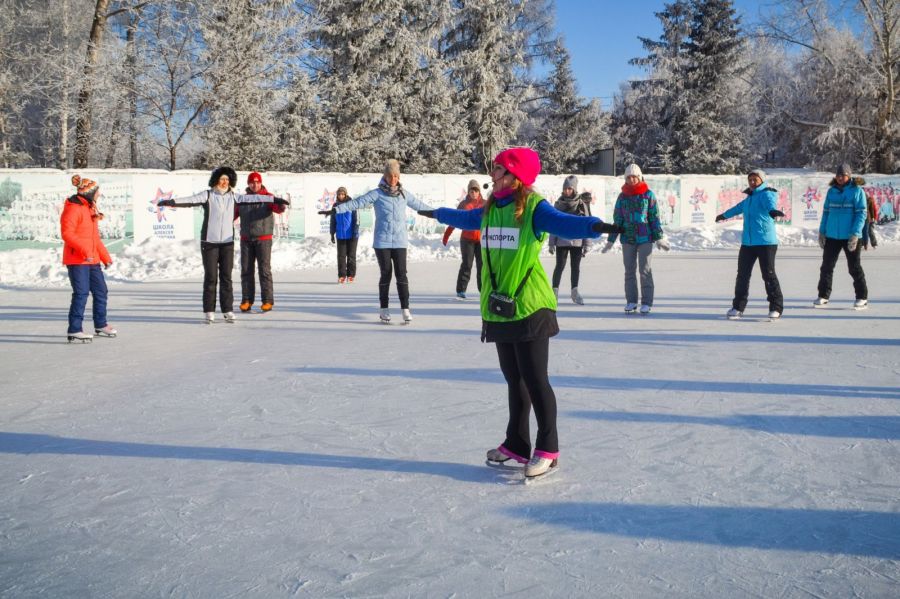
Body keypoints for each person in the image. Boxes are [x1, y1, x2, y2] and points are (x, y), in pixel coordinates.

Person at [418, 147, 621, 479]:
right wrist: (437, 213)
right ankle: (516, 443)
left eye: (498, 169)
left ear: (515, 175)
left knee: (536, 380)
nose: (492, 174)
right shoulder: (489, 209)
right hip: (500, 307)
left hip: (530, 306)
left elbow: (565, 223)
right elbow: (464, 218)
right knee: (515, 380)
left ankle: (548, 449)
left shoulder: (533, 208)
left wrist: (596, 226)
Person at [157, 166, 288, 323]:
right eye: (222, 179)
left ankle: (227, 310)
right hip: (210, 242)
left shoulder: (234, 197)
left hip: (227, 243)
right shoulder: (207, 195)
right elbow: (190, 200)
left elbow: (257, 198)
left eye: (227, 179)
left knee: (227, 278)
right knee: (211, 278)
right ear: (216, 180)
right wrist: (172, 202)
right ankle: (209, 311)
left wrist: (275, 200)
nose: (224, 182)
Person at [318, 159, 433, 324]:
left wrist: (440, 214)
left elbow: (420, 206)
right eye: (390, 176)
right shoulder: (377, 194)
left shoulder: (404, 194)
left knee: (402, 274)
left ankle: (405, 308)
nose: (393, 179)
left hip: (400, 241)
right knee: (386, 274)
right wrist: (336, 209)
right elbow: (357, 202)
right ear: (385, 176)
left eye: (396, 176)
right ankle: (384, 309)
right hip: (382, 242)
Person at [714, 168, 785, 320]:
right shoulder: (749, 198)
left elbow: (770, 204)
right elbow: (737, 208)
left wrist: (773, 211)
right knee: (742, 275)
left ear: (762, 180)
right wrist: (724, 215)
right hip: (748, 243)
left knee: (768, 274)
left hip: (766, 242)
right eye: (750, 180)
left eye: (755, 179)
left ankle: (776, 307)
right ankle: (738, 307)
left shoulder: (767, 193)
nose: (752, 182)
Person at [602, 164, 669, 315]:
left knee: (645, 270)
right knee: (629, 271)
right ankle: (631, 301)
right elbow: (618, 219)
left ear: (639, 177)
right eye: (629, 177)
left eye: (634, 177)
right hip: (628, 238)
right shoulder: (622, 197)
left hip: (645, 238)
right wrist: (611, 240)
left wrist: (659, 238)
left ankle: (646, 302)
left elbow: (654, 218)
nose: (631, 179)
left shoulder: (648, 195)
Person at [61, 175, 116, 342]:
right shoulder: (73, 209)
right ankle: (75, 329)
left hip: (93, 260)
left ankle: (101, 324)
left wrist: (105, 257)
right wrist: (85, 251)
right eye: (97, 191)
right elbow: (67, 234)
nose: (99, 194)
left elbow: (94, 238)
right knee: (81, 293)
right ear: (89, 193)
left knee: (101, 291)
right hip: (77, 260)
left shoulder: (90, 209)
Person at [813, 164, 868, 309]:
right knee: (826, 267)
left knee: (854, 267)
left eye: (843, 175)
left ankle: (862, 297)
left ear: (849, 176)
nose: (840, 178)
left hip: (850, 236)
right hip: (832, 236)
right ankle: (823, 295)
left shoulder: (857, 191)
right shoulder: (831, 191)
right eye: (838, 175)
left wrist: (855, 234)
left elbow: (861, 214)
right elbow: (826, 212)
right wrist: (822, 231)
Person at [237, 172, 286, 313]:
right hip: (246, 239)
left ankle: (267, 301)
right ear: (248, 184)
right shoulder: (243, 199)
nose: (255, 185)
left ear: (261, 183)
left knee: (264, 270)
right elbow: (233, 213)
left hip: (263, 239)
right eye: (252, 182)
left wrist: (280, 205)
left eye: (257, 182)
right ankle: (247, 300)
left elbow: (278, 209)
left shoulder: (267, 197)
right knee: (246, 270)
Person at [549, 175, 593, 305]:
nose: (567, 191)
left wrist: (587, 243)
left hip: (577, 241)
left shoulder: (581, 204)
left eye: (569, 188)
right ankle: (554, 292)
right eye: (565, 189)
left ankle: (575, 291)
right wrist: (551, 243)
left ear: (574, 189)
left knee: (575, 267)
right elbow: (554, 224)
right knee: (559, 266)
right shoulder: (558, 204)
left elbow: (586, 223)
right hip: (562, 241)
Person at [442, 179, 485, 299]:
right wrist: (447, 235)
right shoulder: (463, 205)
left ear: (479, 191)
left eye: (476, 190)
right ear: (469, 191)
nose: (474, 193)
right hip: (467, 240)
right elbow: (455, 219)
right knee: (467, 264)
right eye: (472, 190)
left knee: (482, 265)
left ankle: (483, 290)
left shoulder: (485, 203)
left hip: (481, 240)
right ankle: (461, 290)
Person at [329, 186, 359, 283]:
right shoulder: (335, 206)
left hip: (352, 234)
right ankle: (342, 276)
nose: (341, 196)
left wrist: (355, 231)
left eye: (342, 194)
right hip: (340, 235)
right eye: (339, 194)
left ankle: (351, 275)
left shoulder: (351, 204)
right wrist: (332, 233)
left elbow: (356, 219)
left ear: (345, 194)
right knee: (341, 256)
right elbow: (333, 220)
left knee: (351, 256)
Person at [860, 179, 878, 251]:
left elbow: (872, 210)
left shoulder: (869, 199)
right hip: (862, 217)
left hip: (867, 218)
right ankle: (862, 244)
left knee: (868, 231)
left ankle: (870, 244)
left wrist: (873, 218)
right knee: (862, 231)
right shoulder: (858, 199)